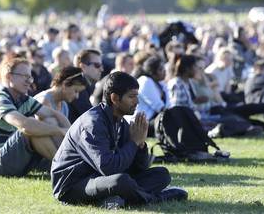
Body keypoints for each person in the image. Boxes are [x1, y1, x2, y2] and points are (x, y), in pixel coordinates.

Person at [51, 71, 188, 209]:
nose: (137, 101)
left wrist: (139, 145)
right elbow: (109, 169)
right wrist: (133, 143)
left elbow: (138, 168)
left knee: (162, 175)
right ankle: (159, 197)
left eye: (137, 96)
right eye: (132, 96)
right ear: (115, 98)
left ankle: (113, 199)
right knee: (121, 181)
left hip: (101, 178)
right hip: (73, 184)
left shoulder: (120, 122)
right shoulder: (93, 124)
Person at [0, 58, 70, 177]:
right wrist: (61, 131)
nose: (28, 81)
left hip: (16, 159)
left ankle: (70, 163)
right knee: (31, 125)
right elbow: (25, 127)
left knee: (49, 120)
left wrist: (70, 134)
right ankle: (65, 167)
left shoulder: (24, 99)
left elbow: (55, 114)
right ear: (8, 77)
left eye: (30, 77)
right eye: (23, 76)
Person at [125, 55, 170, 137]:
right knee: (169, 121)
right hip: (138, 124)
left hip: (153, 120)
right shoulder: (145, 81)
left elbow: (168, 106)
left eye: (164, 68)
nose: (164, 71)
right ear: (153, 72)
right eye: (161, 69)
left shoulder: (162, 84)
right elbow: (159, 107)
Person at [67, 49, 103, 123]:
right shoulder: (76, 87)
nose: (101, 69)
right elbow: (92, 117)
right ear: (83, 66)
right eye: (97, 65)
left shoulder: (84, 85)